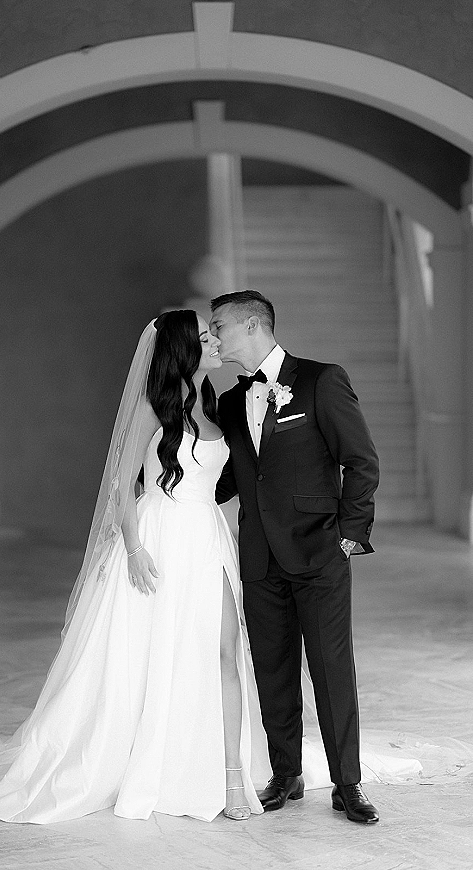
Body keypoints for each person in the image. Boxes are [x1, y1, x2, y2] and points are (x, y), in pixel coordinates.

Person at [0, 310, 272, 823]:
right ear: (183, 349)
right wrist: (135, 548)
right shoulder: (154, 406)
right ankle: (151, 762)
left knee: (223, 653)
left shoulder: (213, 402)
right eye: (205, 337)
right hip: (159, 538)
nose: (215, 342)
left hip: (207, 538)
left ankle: (232, 777)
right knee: (153, 654)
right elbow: (124, 486)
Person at [209, 289, 381, 824]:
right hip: (259, 557)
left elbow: (361, 460)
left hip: (319, 551)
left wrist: (349, 535)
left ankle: (347, 784)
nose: (212, 337)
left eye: (219, 327)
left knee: (332, 670)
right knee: (272, 670)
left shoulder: (320, 380)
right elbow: (230, 480)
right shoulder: (232, 402)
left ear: (255, 325)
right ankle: (286, 774)